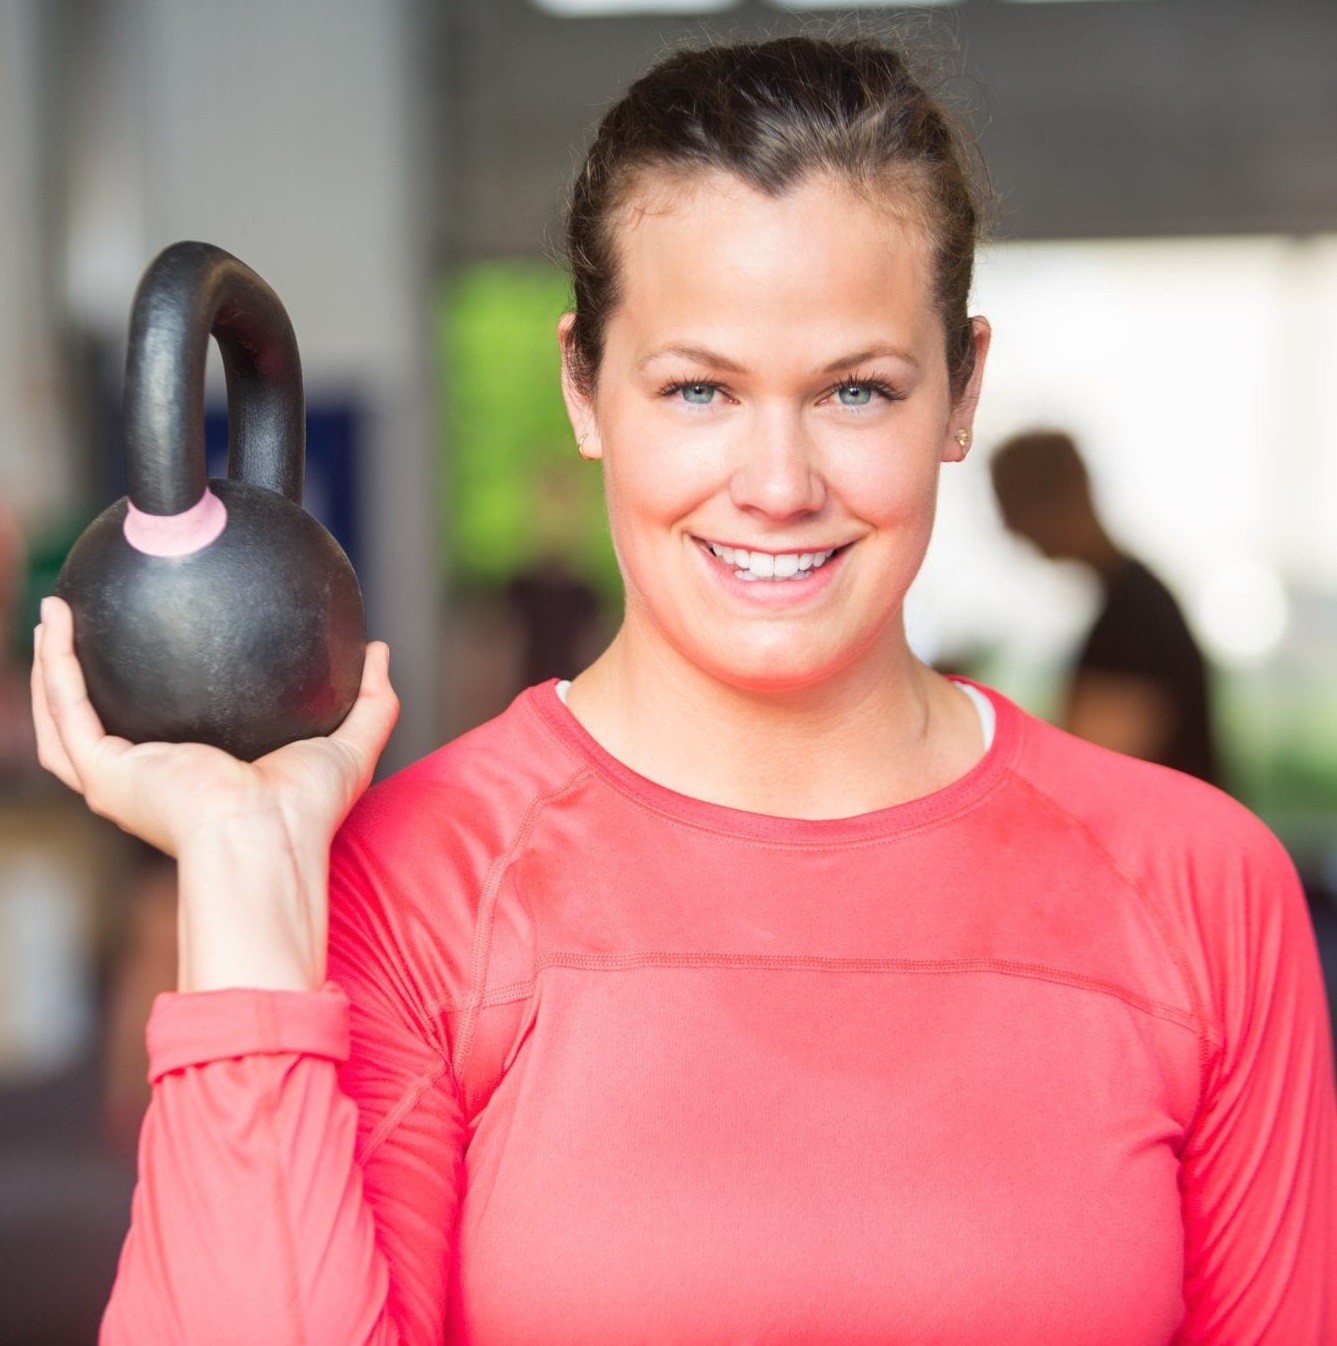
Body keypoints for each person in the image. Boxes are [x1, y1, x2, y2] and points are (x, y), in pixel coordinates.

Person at [30, 35, 1335, 1345]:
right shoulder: (413, 890)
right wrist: (242, 868)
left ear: (961, 390)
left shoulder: (1201, 889)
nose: (776, 483)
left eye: (857, 389)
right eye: (699, 387)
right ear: (584, 387)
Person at [989, 428, 1221, 785]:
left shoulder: (1133, 615)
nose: (1007, 527)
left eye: (1009, 504)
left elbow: (1090, 771)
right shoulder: (1132, 601)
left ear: (1048, 500)